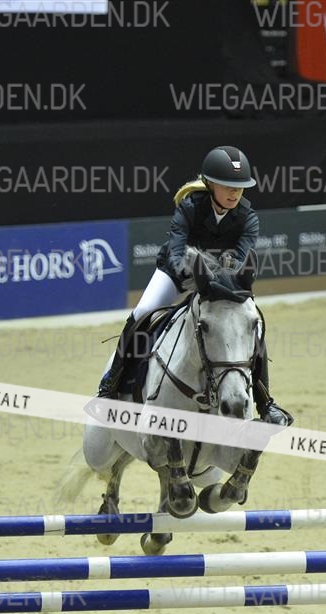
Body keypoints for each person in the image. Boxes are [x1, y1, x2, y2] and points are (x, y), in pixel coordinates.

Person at [97, 145, 292, 427]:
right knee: (142, 313)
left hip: (220, 285)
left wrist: (218, 278)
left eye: (240, 187)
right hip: (178, 276)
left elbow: (241, 258)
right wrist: (194, 274)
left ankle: (266, 403)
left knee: (255, 326)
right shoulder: (189, 208)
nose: (235, 193)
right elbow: (177, 251)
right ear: (210, 184)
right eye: (228, 186)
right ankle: (110, 386)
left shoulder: (247, 217)